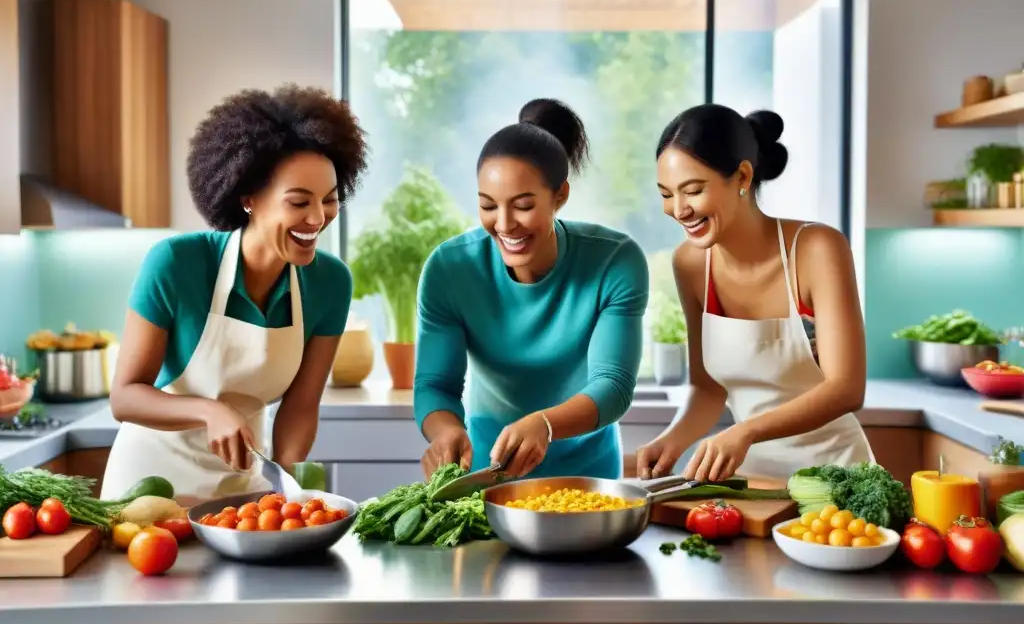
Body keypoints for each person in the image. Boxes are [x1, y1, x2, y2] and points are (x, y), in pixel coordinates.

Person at [100, 85, 368, 505]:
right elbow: (126, 396)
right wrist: (209, 411)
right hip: (148, 493)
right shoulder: (177, 263)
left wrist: (289, 483)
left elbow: (300, 406)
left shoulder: (330, 282)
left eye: (329, 200)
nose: (317, 218)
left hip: (244, 487)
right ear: (249, 199)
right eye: (299, 202)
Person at [635, 103, 872, 484]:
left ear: (742, 176)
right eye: (666, 194)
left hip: (837, 481)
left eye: (693, 190)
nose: (679, 210)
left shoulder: (816, 249)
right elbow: (707, 388)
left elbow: (846, 389)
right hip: (752, 482)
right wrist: (672, 440)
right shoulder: (692, 264)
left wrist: (746, 432)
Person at [414, 98, 649, 481]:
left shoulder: (615, 261)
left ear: (560, 195)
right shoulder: (449, 269)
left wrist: (546, 424)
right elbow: (435, 385)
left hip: (588, 477)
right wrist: (446, 432)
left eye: (523, 206)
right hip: (487, 473)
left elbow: (613, 385)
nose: (504, 224)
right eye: (488, 206)